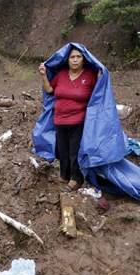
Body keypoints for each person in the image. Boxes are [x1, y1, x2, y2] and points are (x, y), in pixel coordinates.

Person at [39, 47, 98, 191]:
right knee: (62, 151)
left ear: (84, 59)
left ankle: (76, 179)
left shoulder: (90, 75)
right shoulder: (61, 75)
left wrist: (102, 75)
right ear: (68, 60)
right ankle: (64, 175)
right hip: (59, 121)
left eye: (79, 56)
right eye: (72, 57)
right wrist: (43, 75)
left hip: (78, 121)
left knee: (74, 152)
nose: (75, 59)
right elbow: (49, 90)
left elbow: (100, 93)